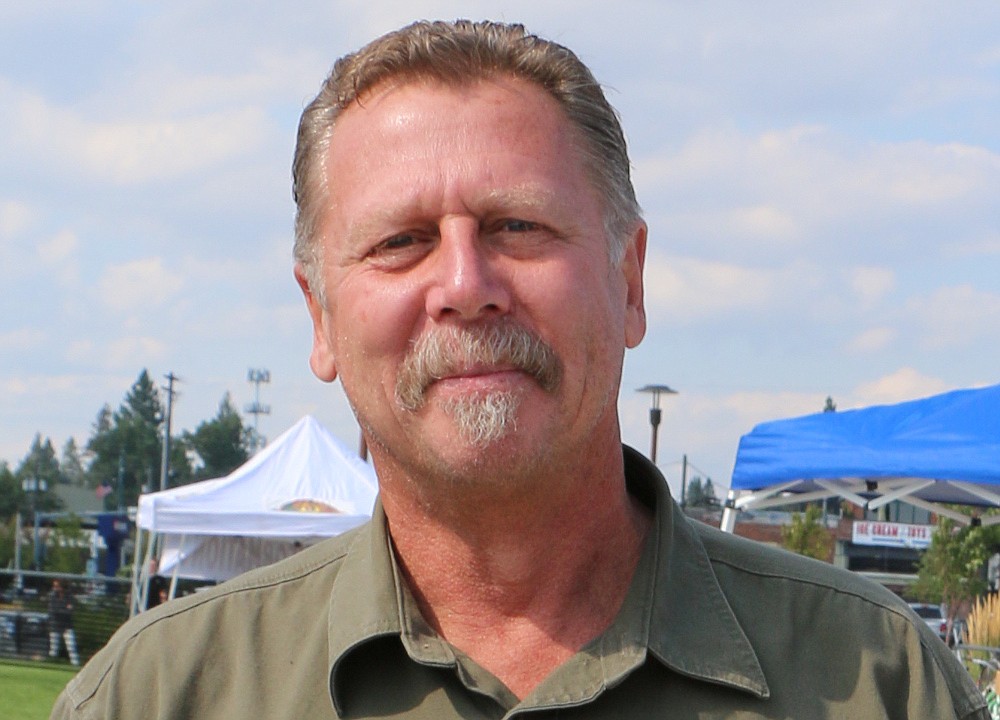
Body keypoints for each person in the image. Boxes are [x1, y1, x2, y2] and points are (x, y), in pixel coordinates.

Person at [52, 20, 986, 719]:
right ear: (321, 317)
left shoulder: (880, 682)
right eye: (401, 241)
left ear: (628, 282)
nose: (466, 286)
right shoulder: (160, 695)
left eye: (519, 227)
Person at [48, 579, 80, 667]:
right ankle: (51, 665)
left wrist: (62, 610)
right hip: (55, 625)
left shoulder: (69, 597)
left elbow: (70, 611)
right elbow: (53, 610)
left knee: (71, 646)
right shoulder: (52, 597)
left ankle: (75, 665)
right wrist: (65, 609)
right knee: (54, 648)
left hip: (67, 626)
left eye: (56, 586)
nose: (54, 588)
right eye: (54, 586)